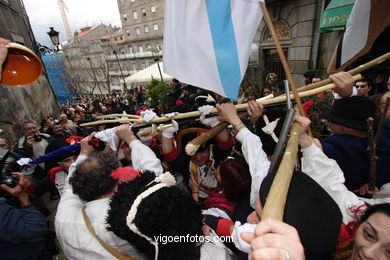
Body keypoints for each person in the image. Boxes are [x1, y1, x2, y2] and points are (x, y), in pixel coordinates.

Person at [55, 125, 162, 259]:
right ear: (117, 183)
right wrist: (131, 139)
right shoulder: (128, 216)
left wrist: (83, 154)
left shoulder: (63, 216)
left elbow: (68, 187)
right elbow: (155, 180)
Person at [320, 96, 390, 191]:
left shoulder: (333, 149)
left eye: (332, 121)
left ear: (347, 127)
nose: (327, 124)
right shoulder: (385, 136)